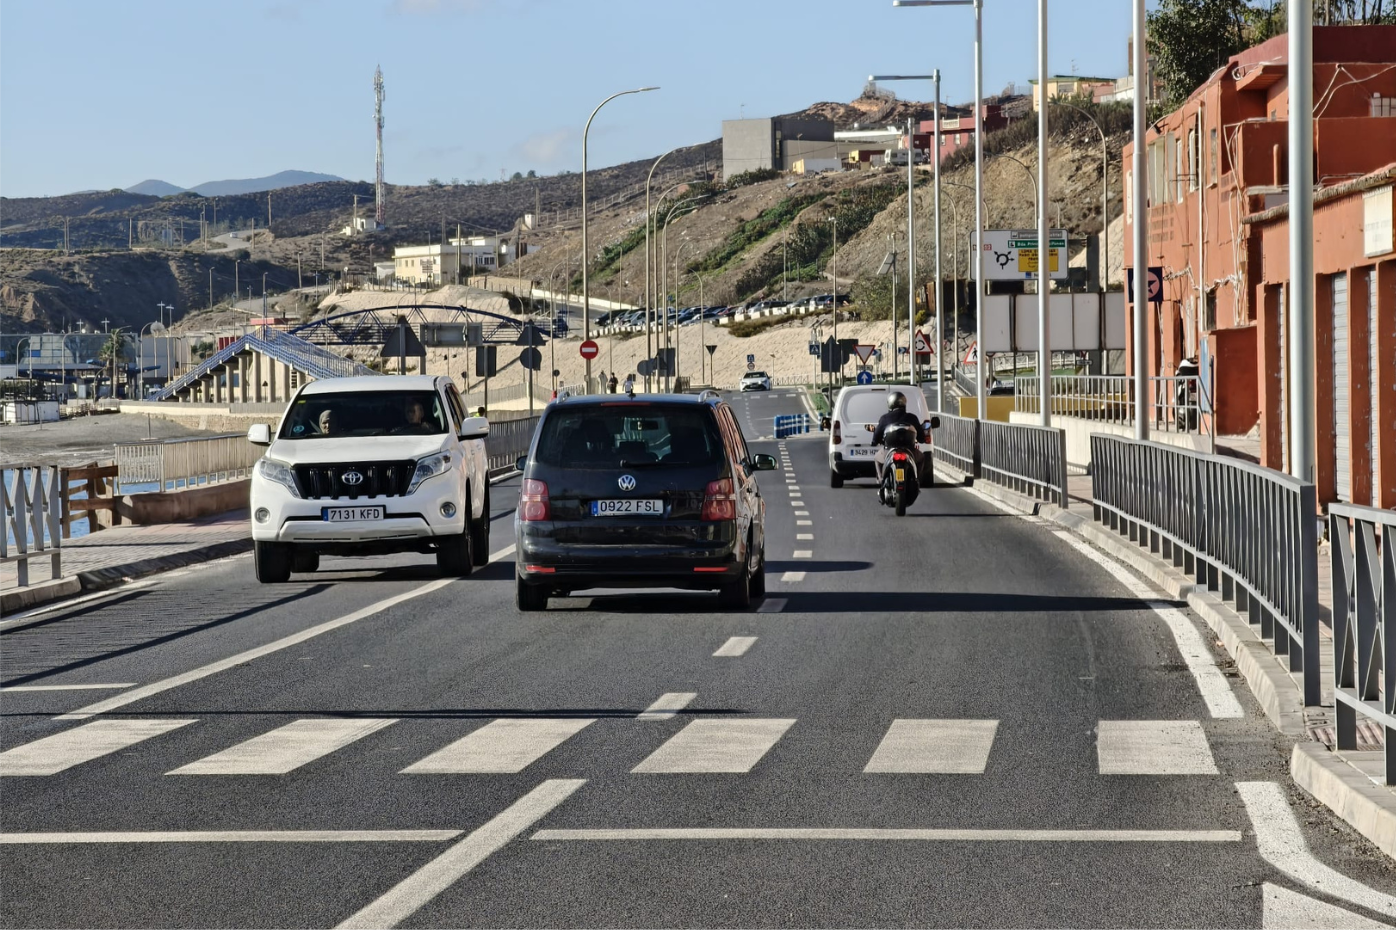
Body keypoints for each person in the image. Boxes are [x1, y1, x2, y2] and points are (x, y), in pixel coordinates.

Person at [871, 390, 926, 487]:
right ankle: (917, 480)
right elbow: (921, 437)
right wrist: (921, 439)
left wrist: (874, 442)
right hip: (910, 451)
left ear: (890, 403)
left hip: (888, 451)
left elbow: (877, 434)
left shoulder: (885, 418)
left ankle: (881, 479)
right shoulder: (912, 418)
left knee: (877, 458)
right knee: (921, 457)